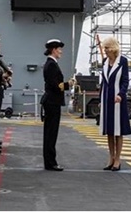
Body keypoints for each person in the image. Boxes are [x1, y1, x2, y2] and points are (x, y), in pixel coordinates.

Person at [42, 39, 75, 172]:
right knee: (51, 133)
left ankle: (50, 161)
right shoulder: (51, 65)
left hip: (51, 101)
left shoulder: (51, 64)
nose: (61, 51)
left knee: (51, 132)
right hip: (52, 102)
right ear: (54, 50)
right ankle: (50, 162)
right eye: (59, 49)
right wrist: (69, 84)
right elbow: (55, 85)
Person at [98, 37, 130, 171]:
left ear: (113, 48)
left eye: (107, 48)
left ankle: (118, 158)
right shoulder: (105, 62)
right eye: (104, 48)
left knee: (118, 131)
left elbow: (125, 81)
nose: (105, 51)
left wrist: (120, 94)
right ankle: (111, 157)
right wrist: (100, 99)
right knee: (109, 130)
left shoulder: (122, 61)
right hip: (106, 99)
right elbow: (103, 82)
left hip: (117, 100)